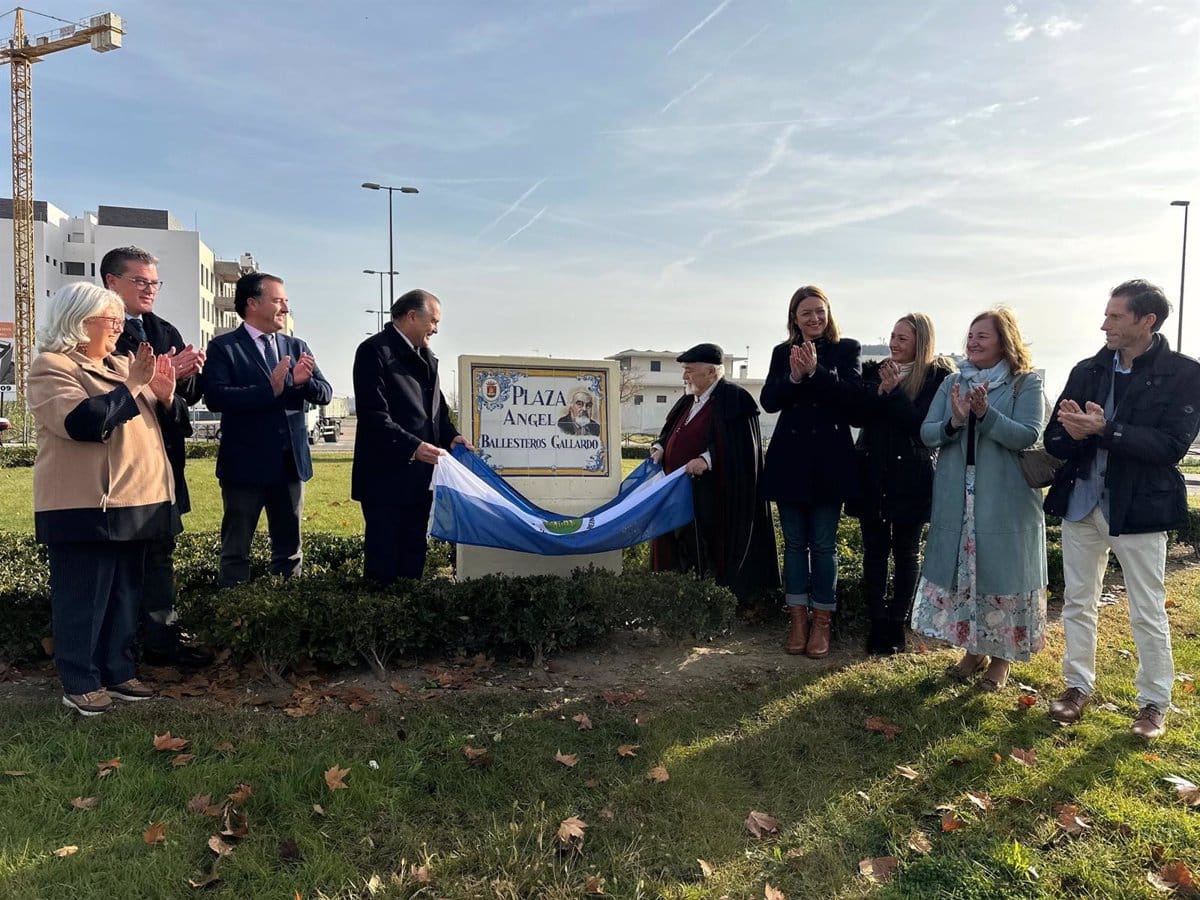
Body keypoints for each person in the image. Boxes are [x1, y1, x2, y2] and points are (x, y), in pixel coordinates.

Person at [1044, 280, 1200, 739]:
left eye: (1115, 316)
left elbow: (1170, 447)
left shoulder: (1185, 374)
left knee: (1147, 608)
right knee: (1078, 601)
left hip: (1139, 509)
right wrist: (1072, 434)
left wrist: (1105, 429)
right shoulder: (1087, 369)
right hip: (1081, 504)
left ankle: (1154, 703)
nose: (1104, 325)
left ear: (1147, 321)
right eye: (1106, 315)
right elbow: (1054, 439)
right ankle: (1077, 687)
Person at [27, 282, 178, 715]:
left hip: (138, 500)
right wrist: (134, 385)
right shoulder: (52, 366)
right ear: (78, 321)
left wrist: (166, 396)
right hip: (86, 504)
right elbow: (82, 423)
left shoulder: (123, 365)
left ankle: (118, 669)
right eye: (110, 320)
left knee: (125, 594)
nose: (117, 328)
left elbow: (168, 423)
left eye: (117, 321)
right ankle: (80, 680)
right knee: (84, 596)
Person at [912, 308, 1047, 692]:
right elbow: (927, 433)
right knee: (966, 575)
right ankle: (973, 651)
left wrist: (985, 415)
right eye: (970, 335)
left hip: (1006, 499)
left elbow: (1027, 435)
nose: (972, 342)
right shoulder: (953, 381)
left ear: (1004, 341)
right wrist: (954, 421)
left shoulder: (1026, 383)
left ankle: (1002, 660)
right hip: (958, 495)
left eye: (982, 336)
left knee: (1003, 577)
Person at [101, 246, 210, 667]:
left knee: (161, 556)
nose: (150, 290)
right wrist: (164, 375)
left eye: (154, 283)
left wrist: (186, 374)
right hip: (122, 465)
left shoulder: (164, 329)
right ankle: (121, 650)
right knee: (123, 564)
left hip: (165, 462)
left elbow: (187, 397)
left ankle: (163, 645)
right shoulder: (96, 332)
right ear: (112, 281)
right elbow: (109, 393)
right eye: (140, 281)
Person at [202, 272, 332, 587]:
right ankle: (233, 607)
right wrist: (270, 390)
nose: (285, 308)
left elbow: (325, 392)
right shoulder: (224, 347)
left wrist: (301, 383)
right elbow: (216, 397)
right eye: (278, 301)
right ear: (252, 303)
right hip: (243, 467)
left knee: (289, 551)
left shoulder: (296, 346)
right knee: (236, 551)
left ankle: (284, 607)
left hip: (289, 467)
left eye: (286, 301)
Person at [761, 285, 861, 658]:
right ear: (795, 318)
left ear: (828, 313)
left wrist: (815, 372)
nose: (815, 318)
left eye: (820, 311)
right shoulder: (781, 352)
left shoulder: (846, 349)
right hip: (790, 460)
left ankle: (822, 622)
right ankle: (797, 620)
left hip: (830, 462)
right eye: (806, 313)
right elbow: (769, 401)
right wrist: (793, 377)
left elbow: (853, 398)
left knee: (822, 544)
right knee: (793, 544)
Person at [846, 313, 955, 655]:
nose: (894, 343)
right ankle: (877, 622)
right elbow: (857, 417)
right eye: (893, 336)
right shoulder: (873, 371)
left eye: (902, 338)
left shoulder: (938, 378)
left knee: (907, 552)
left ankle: (897, 623)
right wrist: (878, 392)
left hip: (912, 474)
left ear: (921, 342)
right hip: (871, 472)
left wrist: (894, 394)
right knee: (874, 552)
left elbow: (921, 427)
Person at [352, 289, 472, 583]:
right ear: (412, 316)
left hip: (420, 478)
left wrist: (451, 437)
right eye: (434, 321)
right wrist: (413, 447)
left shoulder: (428, 359)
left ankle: (409, 607)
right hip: (385, 478)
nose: (436, 329)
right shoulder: (374, 352)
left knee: (414, 553)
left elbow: (437, 412)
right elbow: (374, 416)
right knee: (384, 558)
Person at [650, 343, 779, 608]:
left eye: (690, 370)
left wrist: (707, 459)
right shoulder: (688, 400)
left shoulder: (735, 399)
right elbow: (671, 432)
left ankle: (712, 604)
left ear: (711, 372)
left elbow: (740, 449)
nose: (685, 376)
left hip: (715, 499)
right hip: (679, 496)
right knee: (678, 550)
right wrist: (660, 447)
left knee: (707, 554)